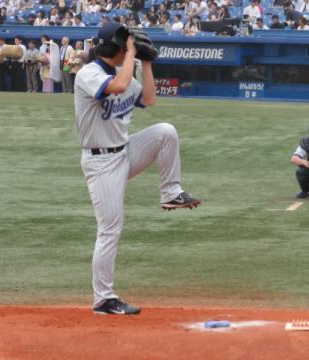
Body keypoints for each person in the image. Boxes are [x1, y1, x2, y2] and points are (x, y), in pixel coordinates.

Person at [74, 23, 201, 315]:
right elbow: (116, 87)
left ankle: (171, 192)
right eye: (125, 46)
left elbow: (149, 99)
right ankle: (103, 299)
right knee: (110, 230)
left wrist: (145, 63)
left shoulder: (125, 73)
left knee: (165, 132)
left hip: (125, 152)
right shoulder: (88, 74)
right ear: (115, 49)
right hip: (101, 162)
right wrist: (131, 53)